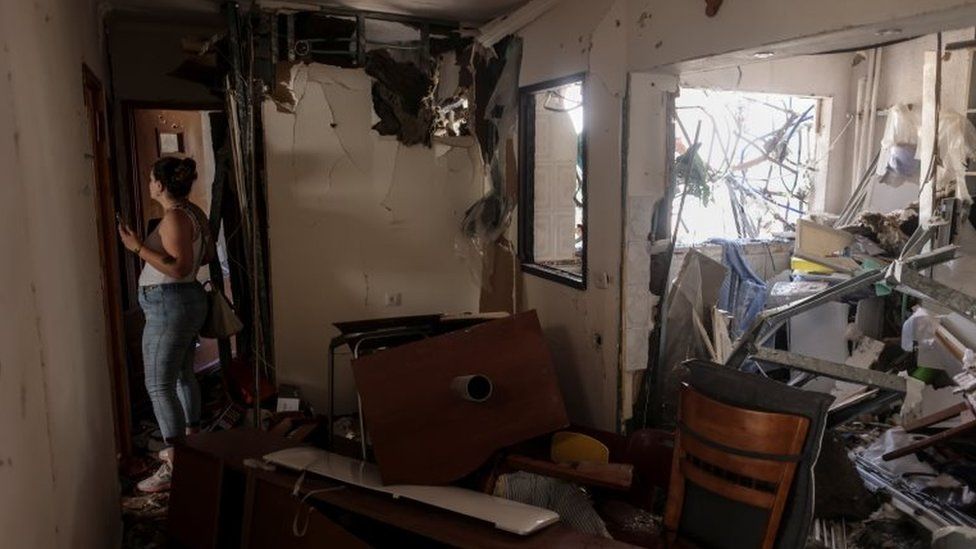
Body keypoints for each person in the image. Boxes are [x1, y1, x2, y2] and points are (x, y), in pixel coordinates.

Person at [118, 156, 214, 493]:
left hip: (169, 302)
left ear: (160, 184)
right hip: (184, 300)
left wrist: (138, 247)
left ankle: (175, 463)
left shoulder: (174, 217)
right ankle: (192, 444)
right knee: (183, 375)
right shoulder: (194, 212)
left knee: (158, 384)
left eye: (150, 179)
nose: (148, 184)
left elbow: (179, 266)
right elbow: (205, 257)